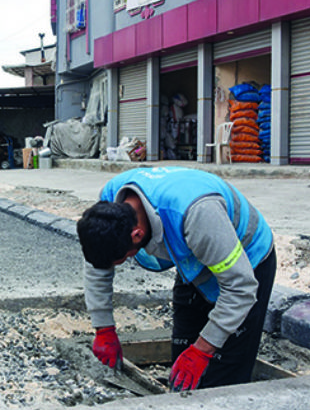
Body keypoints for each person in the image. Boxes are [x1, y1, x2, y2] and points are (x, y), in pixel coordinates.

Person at [76, 167, 276, 392]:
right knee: (182, 372)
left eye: (123, 259)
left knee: (222, 384)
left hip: (247, 260)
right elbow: (98, 266)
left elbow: (240, 288)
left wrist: (203, 349)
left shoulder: (197, 214)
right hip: (192, 259)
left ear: (137, 235)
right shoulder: (111, 200)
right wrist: (104, 328)